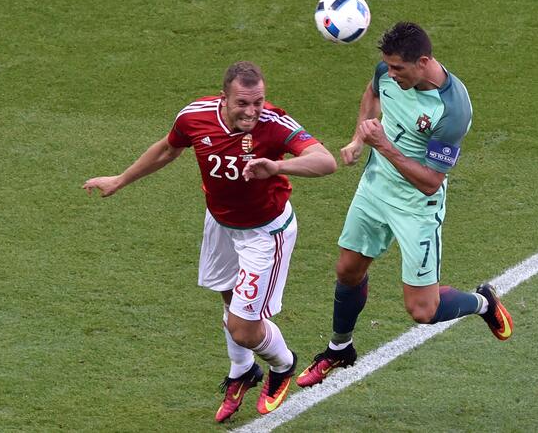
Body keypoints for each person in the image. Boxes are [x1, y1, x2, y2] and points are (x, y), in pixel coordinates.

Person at [82, 61, 337, 421]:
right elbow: (167, 149)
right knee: (228, 298)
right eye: (243, 104)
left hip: (266, 233)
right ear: (225, 99)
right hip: (220, 224)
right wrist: (120, 180)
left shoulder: (275, 125)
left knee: (243, 328)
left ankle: (282, 363)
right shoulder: (195, 117)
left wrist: (278, 167)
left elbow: (325, 161)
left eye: (258, 102)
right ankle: (243, 371)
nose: (252, 112)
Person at [296, 22, 514, 388]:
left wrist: (382, 145)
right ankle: (339, 349)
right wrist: (358, 138)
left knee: (422, 311)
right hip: (375, 188)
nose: (390, 74)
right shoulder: (387, 71)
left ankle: (483, 302)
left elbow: (430, 182)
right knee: (347, 271)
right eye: (388, 66)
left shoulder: (452, 109)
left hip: (416, 206)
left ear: (424, 61)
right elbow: (372, 92)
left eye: (399, 69)